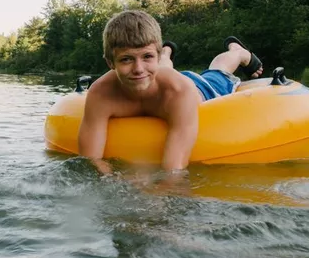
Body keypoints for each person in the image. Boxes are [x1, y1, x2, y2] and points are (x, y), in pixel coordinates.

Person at [78, 10, 263, 172]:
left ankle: (238, 51)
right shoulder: (101, 94)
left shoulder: (179, 93)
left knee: (217, 71)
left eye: (148, 56)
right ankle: (166, 53)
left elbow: (173, 171)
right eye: (126, 59)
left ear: (155, 56)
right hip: (161, 76)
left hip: (198, 88)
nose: (138, 68)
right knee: (154, 71)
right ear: (110, 63)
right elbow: (91, 160)